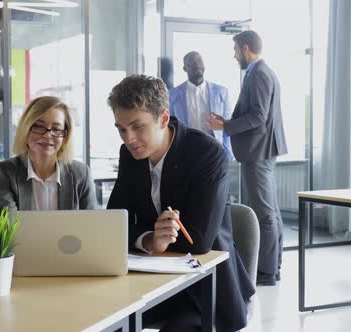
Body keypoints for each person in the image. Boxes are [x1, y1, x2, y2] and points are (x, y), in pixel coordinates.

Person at [106, 75, 254, 332]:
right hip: (147, 282)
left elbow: (199, 240)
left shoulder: (207, 154)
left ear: (163, 118)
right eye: (121, 128)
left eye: (137, 126)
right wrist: (151, 239)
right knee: (106, 322)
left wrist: (146, 235)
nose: (128, 138)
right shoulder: (130, 155)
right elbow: (114, 221)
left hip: (204, 290)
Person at [208, 30, 288, 286]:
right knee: (270, 211)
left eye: (235, 50)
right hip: (260, 150)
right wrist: (228, 122)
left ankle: (266, 271)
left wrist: (226, 128)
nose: (234, 56)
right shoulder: (258, 73)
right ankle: (272, 267)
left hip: (258, 152)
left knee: (264, 213)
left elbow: (258, 116)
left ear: (245, 48)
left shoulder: (260, 74)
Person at [0, 96, 97, 211]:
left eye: (56, 129)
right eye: (39, 126)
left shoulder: (81, 174)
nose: (47, 135)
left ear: (65, 136)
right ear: (25, 129)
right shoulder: (3, 172)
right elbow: (9, 225)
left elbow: (90, 225)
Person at [170, 51, 233, 159]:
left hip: (215, 151)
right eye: (192, 62)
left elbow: (227, 126)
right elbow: (170, 126)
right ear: (185, 68)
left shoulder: (221, 92)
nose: (197, 64)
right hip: (186, 151)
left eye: (199, 61)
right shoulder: (173, 95)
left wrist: (227, 154)